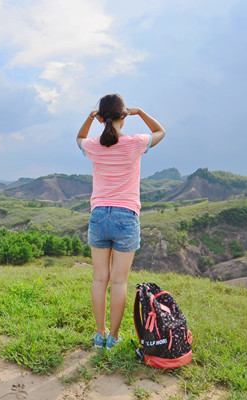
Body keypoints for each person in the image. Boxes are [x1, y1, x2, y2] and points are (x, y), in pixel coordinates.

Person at [76, 93, 166, 350]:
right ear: (123, 117)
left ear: (101, 118)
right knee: (118, 281)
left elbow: (79, 139)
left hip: (99, 215)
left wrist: (89, 118)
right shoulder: (136, 143)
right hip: (126, 217)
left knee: (99, 279)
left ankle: (100, 334)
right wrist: (140, 112)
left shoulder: (93, 145)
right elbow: (160, 131)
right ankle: (113, 338)